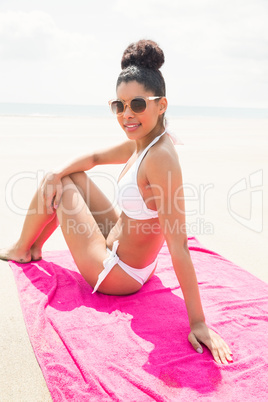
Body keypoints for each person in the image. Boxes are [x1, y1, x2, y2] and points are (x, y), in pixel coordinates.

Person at [0, 39, 232, 365]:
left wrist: (198, 323)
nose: (127, 115)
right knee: (68, 175)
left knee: (63, 187)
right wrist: (56, 171)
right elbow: (94, 157)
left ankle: (23, 249)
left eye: (137, 104)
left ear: (161, 105)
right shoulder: (146, 140)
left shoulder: (161, 158)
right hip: (122, 246)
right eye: (119, 105)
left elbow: (178, 244)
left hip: (118, 274)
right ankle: (32, 247)